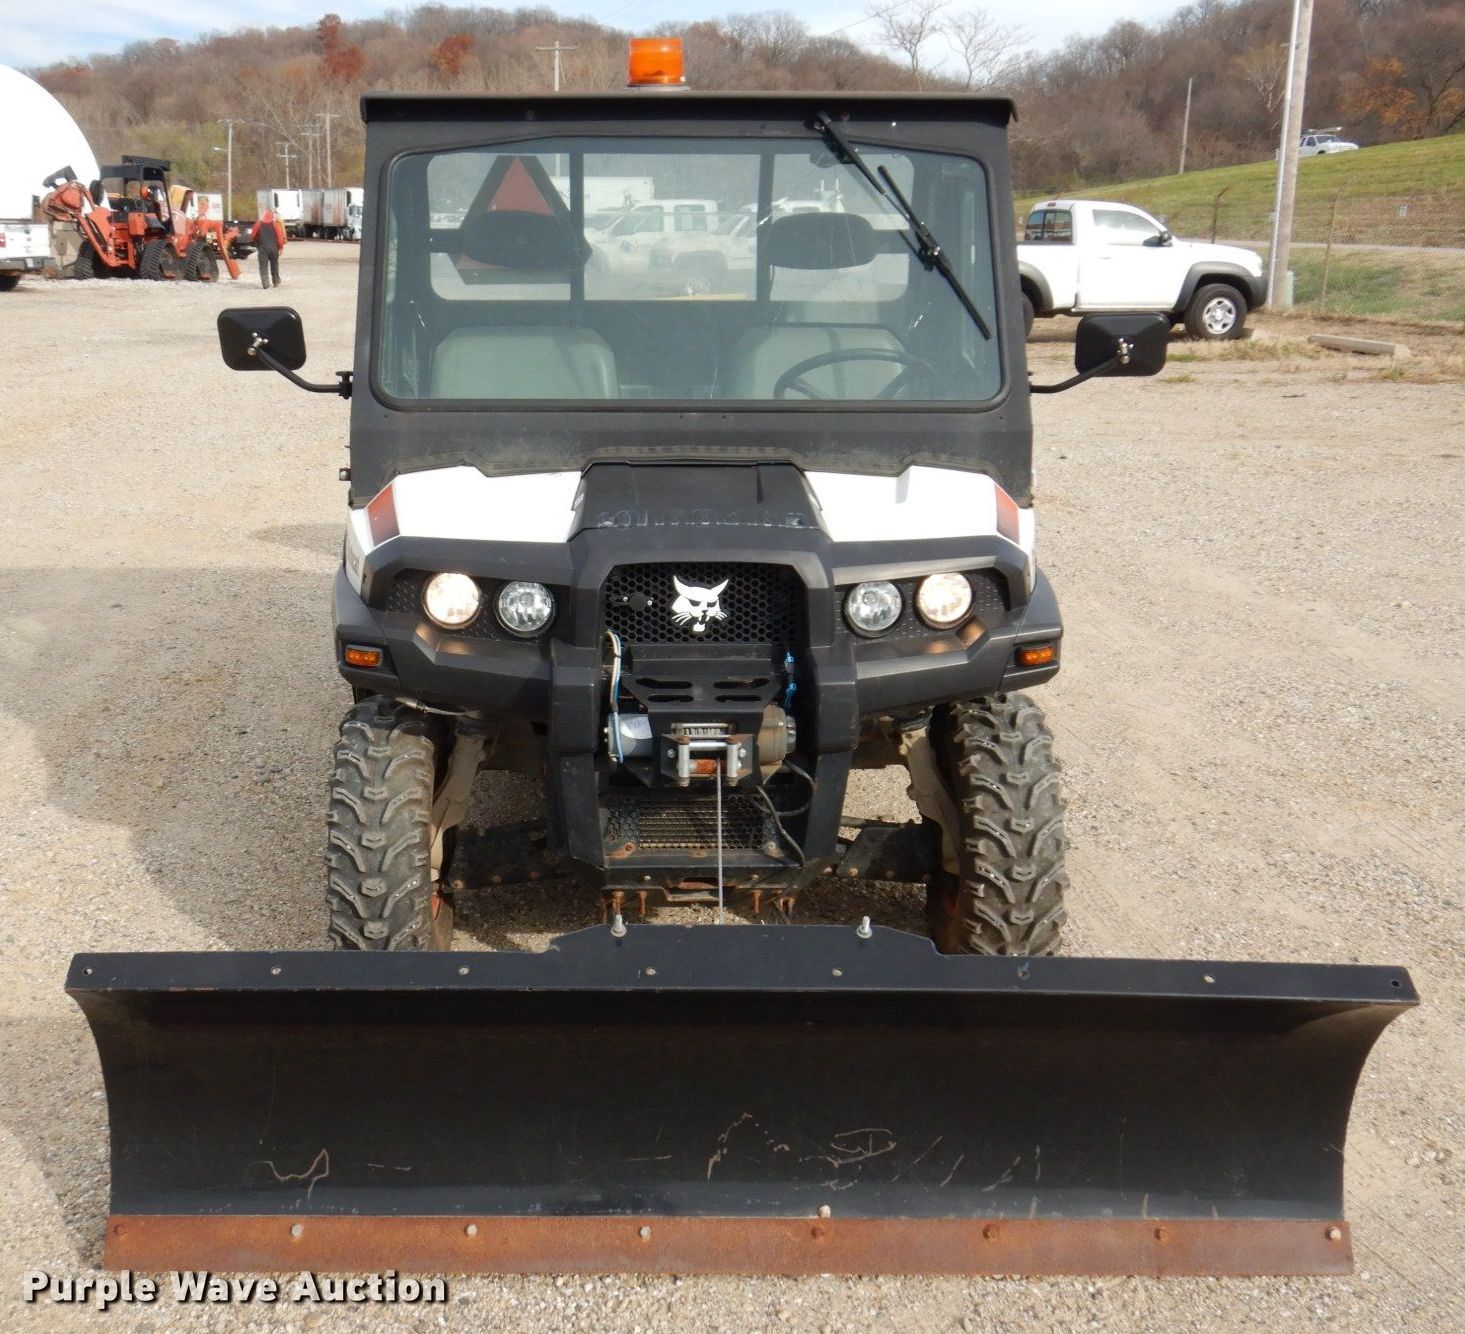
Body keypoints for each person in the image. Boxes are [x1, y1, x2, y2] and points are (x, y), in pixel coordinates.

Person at [251, 209, 287, 289]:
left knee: (263, 266)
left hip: (262, 248)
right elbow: (280, 237)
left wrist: (256, 241)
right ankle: (276, 281)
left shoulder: (259, 223)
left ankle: (265, 283)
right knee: (274, 265)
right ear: (272, 216)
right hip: (274, 248)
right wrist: (280, 247)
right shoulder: (275, 224)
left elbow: (253, 235)